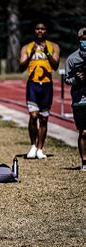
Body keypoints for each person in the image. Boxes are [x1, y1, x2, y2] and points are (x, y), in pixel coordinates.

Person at [19, 21, 60, 159]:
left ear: (46, 30)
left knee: (44, 119)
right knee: (33, 116)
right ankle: (32, 145)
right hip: (33, 85)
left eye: (42, 29)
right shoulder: (27, 47)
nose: (40, 31)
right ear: (34, 31)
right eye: (37, 29)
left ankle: (40, 149)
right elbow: (21, 67)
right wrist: (30, 55)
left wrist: (47, 53)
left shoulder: (53, 46)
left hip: (47, 85)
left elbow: (55, 66)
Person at [65, 27, 86, 170]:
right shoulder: (72, 59)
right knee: (84, 132)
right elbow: (67, 79)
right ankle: (84, 162)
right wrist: (76, 80)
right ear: (80, 40)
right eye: (84, 39)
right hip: (80, 101)